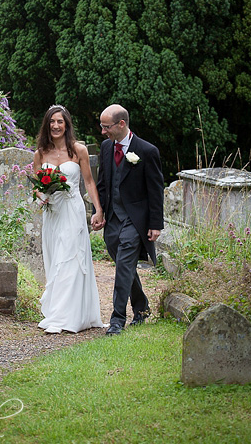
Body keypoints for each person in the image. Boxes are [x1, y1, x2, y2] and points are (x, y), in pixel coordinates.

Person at [33, 105, 106, 334]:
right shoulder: (40, 153)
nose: (56, 126)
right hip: (53, 214)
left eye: (60, 122)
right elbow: (37, 185)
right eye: (52, 122)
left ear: (66, 124)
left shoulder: (78, 150)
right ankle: (59, 312)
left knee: (71, 259)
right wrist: (41, 196)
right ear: (47, 125)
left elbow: (89, 182)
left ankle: (65, 318)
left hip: (73, 212)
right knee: (56, 260)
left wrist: (98, 210)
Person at [93, 104, 164, 336]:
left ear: (121, 124)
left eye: (107, 127)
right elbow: (103, 183)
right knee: (125, 265)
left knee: (124, 265)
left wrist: (155, 224)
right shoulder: (106, 147)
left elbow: (156, 190)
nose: (103, 132)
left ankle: (117, 319)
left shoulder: (147, 150)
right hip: (113, 218)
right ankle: (142, 307)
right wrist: (99, 211)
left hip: (135, 219)